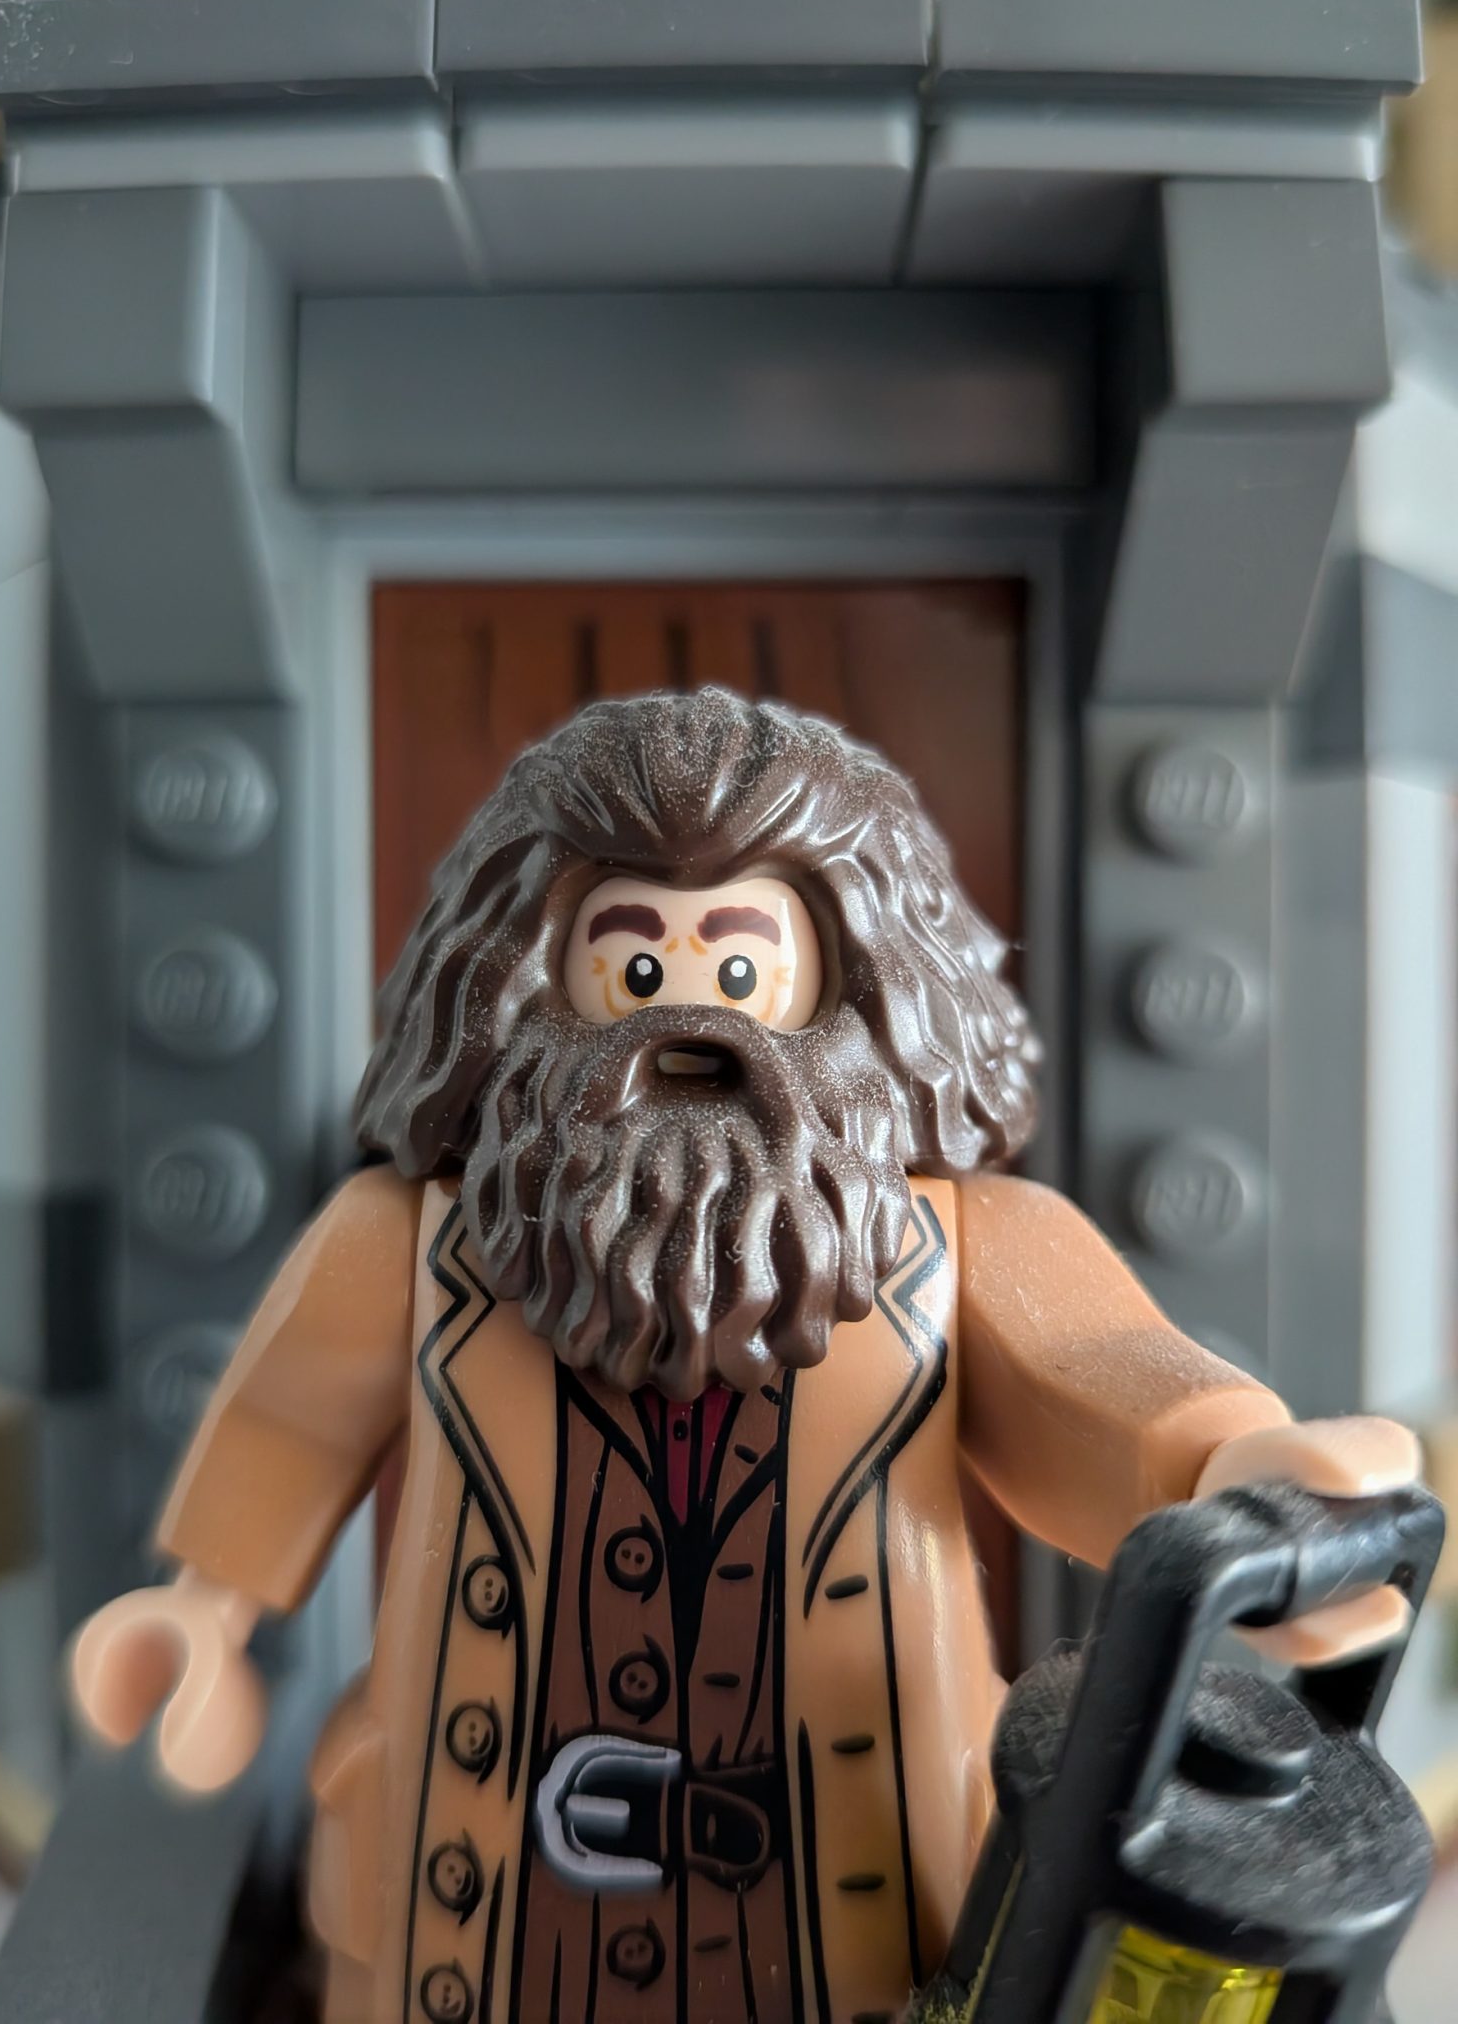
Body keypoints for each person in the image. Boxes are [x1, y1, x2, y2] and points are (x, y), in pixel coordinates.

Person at [72, 689, 1417, 2024]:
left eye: (737, 970)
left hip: (855, 1896)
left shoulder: (966, 1250)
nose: (687, 1019)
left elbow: (1102, 1377)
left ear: (857, 979)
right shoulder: (410, 1249)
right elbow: (291, 1423)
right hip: (483, 1904)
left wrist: (1240, 1475)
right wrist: (205, 1614)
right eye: (633, 970)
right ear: (523, 980)